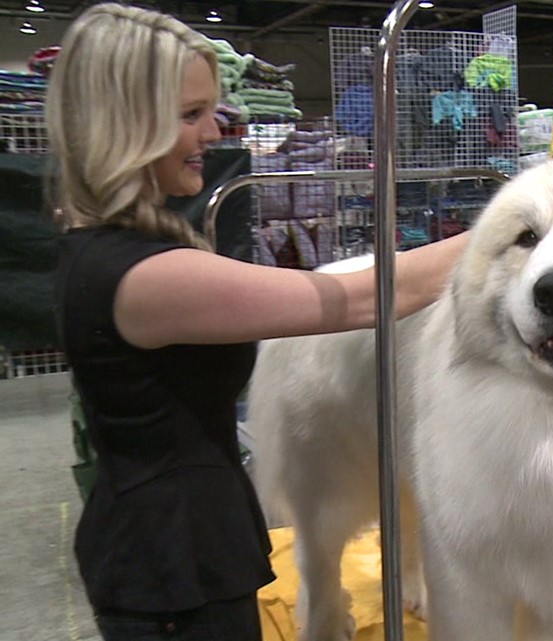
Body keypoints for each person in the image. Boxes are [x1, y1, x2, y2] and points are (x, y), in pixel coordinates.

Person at [46, 4, 467, 640]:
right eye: (190, 115)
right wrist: (517, 225)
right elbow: (361, 299)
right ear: (125, 124)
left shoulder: (111, 249)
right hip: (173, 571)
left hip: (173, 548)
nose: (214, 132)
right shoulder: (145, 277)